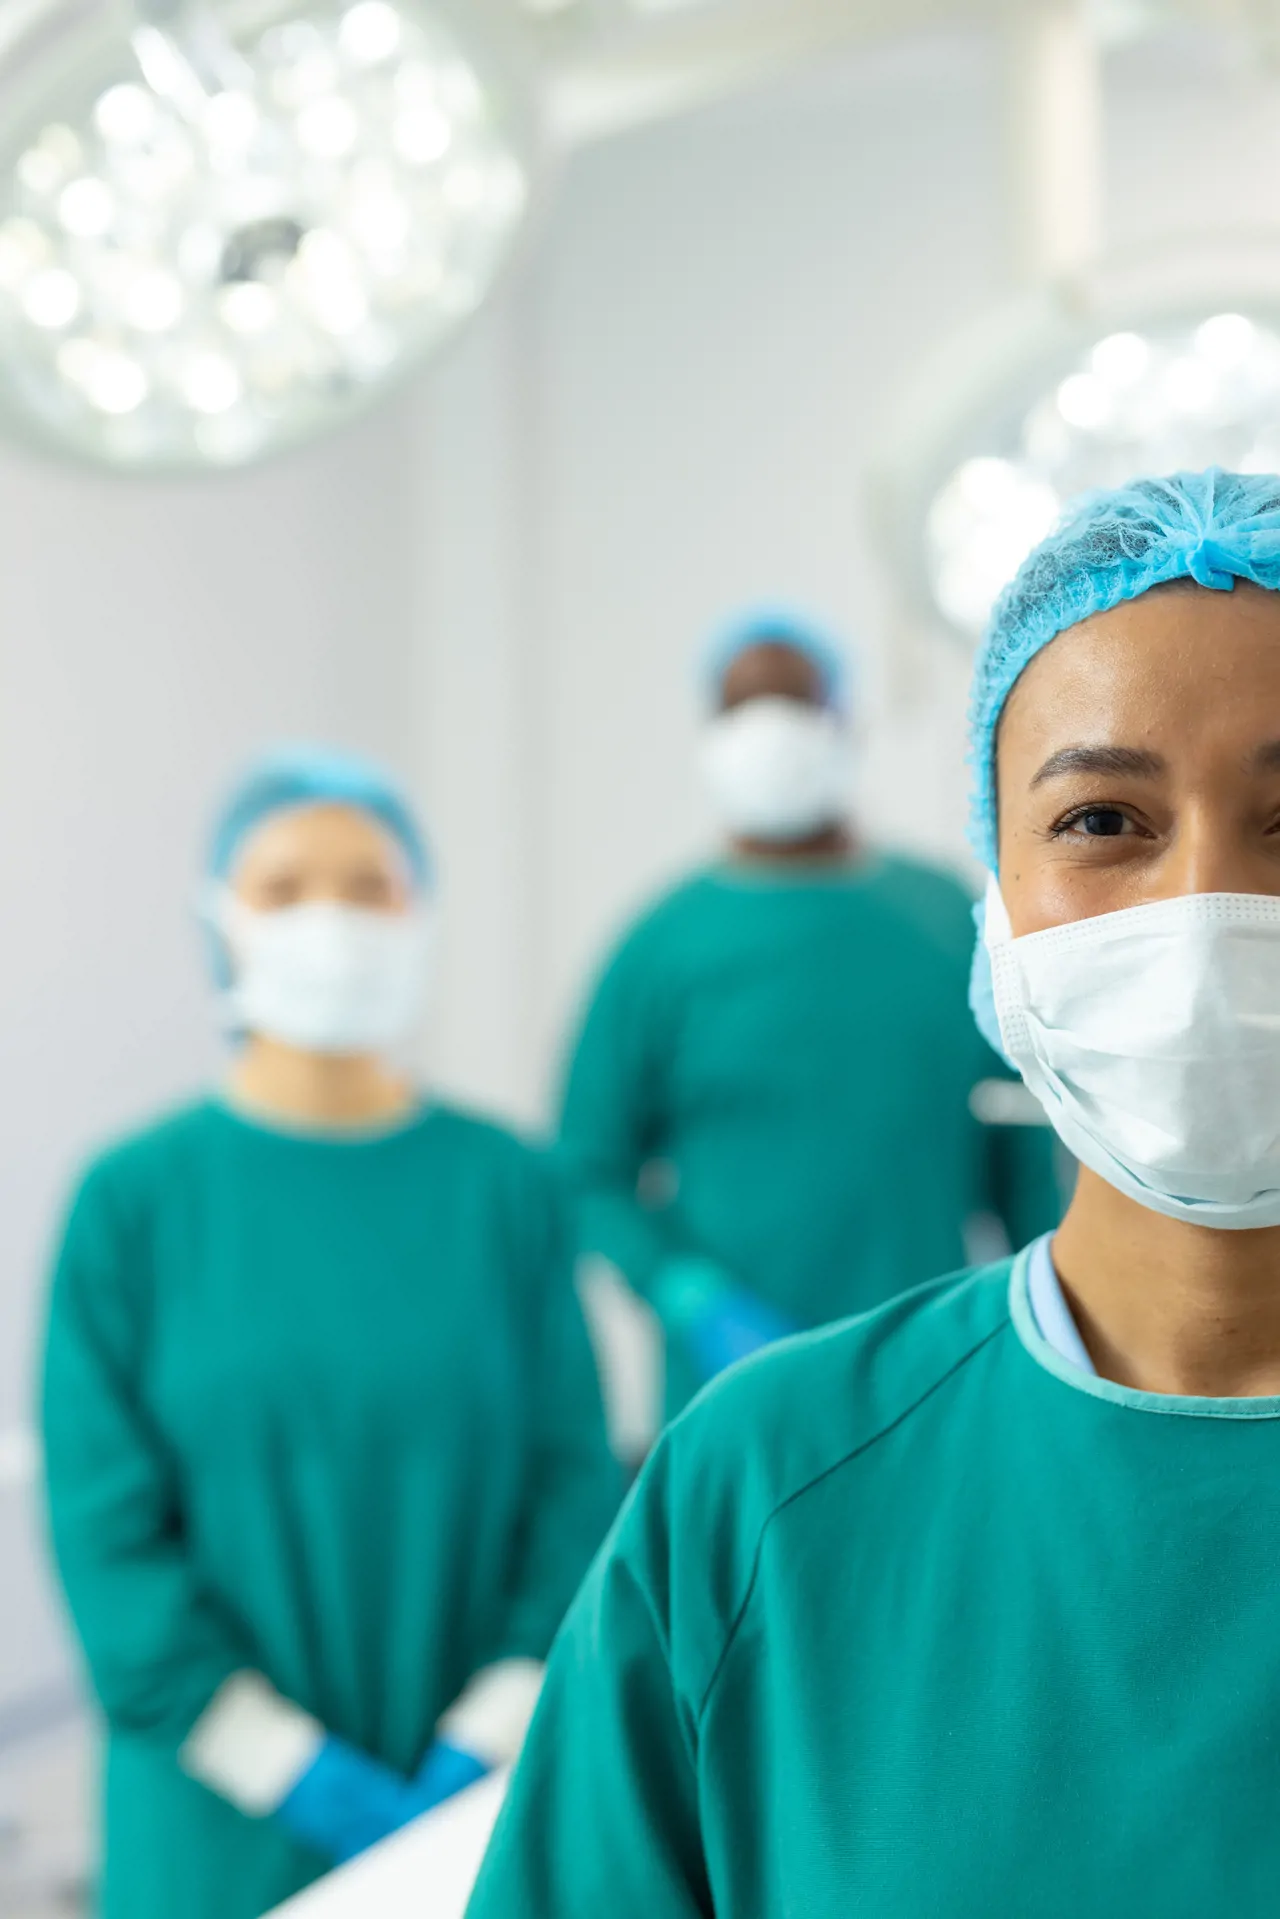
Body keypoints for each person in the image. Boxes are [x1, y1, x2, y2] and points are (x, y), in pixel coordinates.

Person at [467, 469, 1280, 1917]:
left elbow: (1007, 1160)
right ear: (1000, 921)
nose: (1200, 910)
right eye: (1103, 818)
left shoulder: (902, 924)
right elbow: (586, 1158)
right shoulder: (758, 1494)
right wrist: (691, 1292)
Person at [40, 747, 619, 1919]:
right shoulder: (135, 1201)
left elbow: (572, 1482)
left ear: (421, 915)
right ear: (219, 918)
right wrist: (288, 1766)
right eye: (285, 886)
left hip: (477, 1808)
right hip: (215, 1832)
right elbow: (105, 1532)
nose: (331, 919)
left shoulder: (503, 1186)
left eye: (369, 886)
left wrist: (487, 1733)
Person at [559, 606, 1061, 1421]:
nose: (770, 732)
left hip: (927, 1381)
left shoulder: (947, 923)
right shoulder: (661, 948)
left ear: (847, 724)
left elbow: (1025, 1151)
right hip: (727, 1398)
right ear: (710, 736)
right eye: (742, 707)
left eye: (792, 702)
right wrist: (684, 1292)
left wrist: (1058, 1322)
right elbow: (586, 1170)